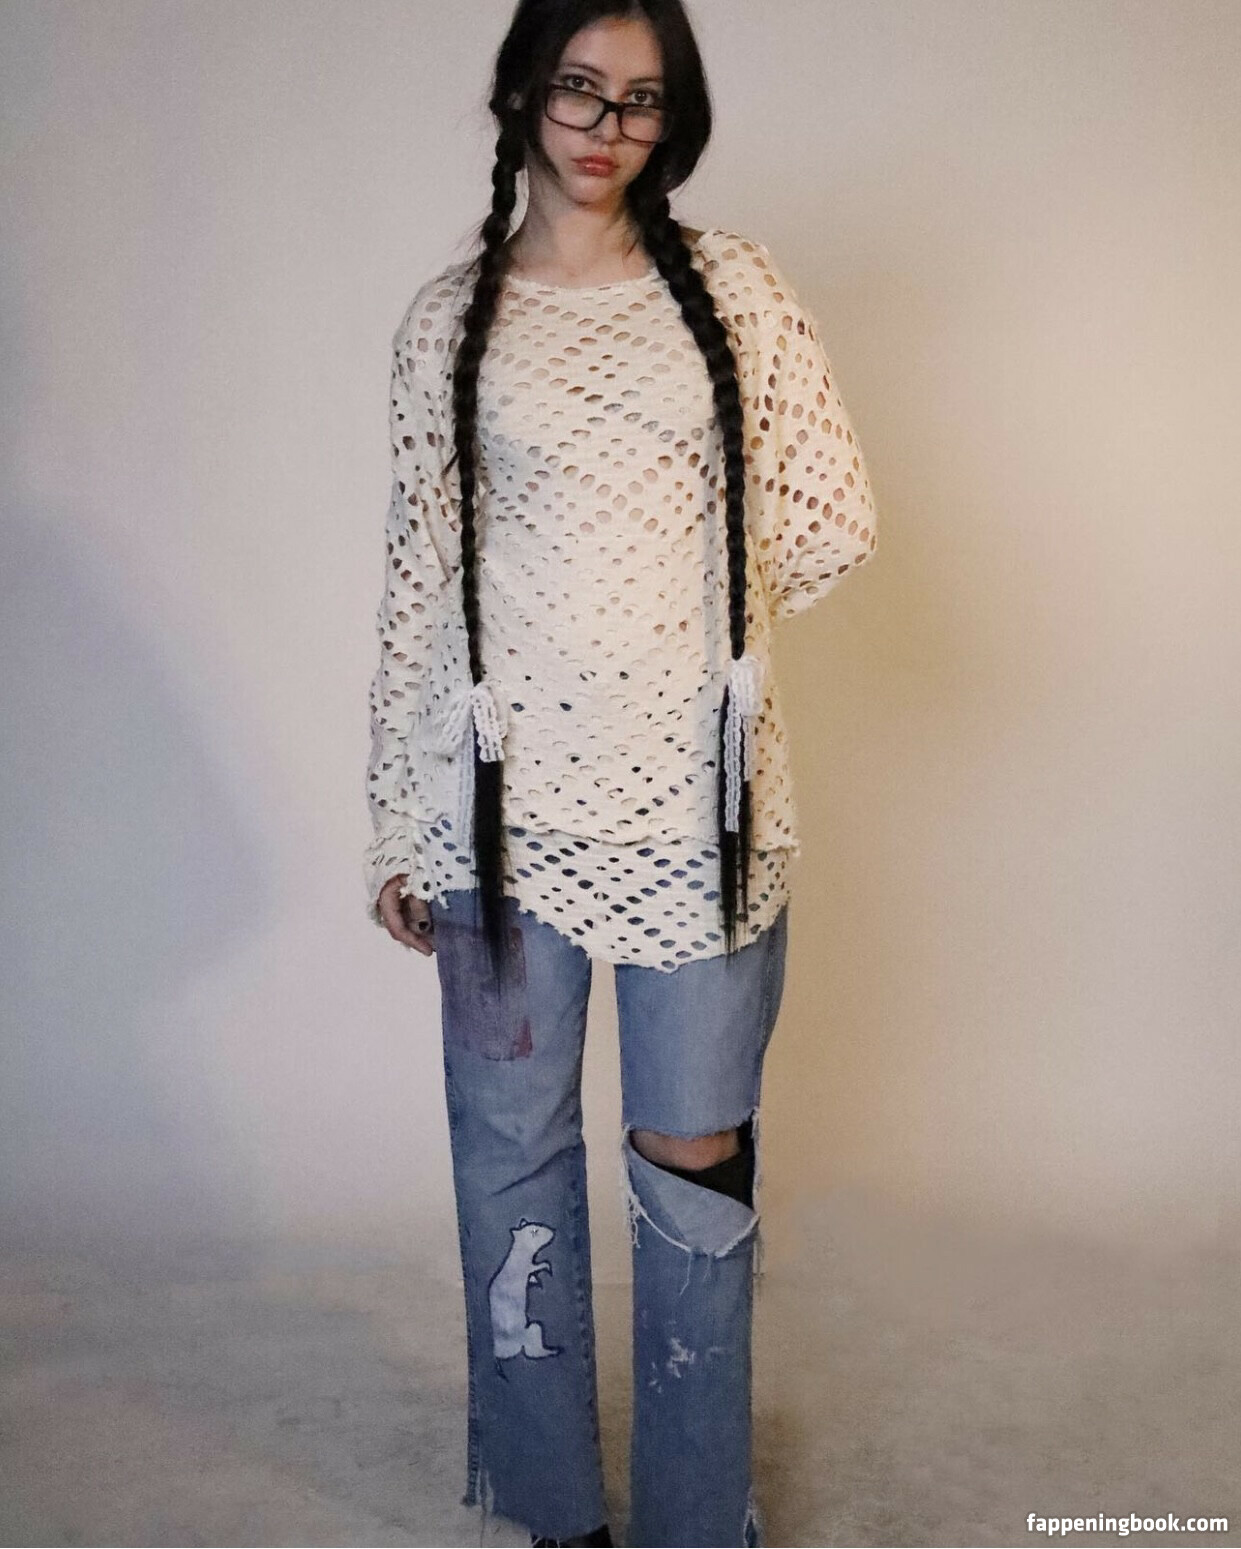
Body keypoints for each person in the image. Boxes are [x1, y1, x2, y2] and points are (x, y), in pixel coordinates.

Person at [363, 3, 879, 1543]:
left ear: (674, 118)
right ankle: (552, 1510)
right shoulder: (446, 324)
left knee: (691, 1160)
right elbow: (417, 587)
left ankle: (693, 1514)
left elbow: (829, 514)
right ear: (522, 90)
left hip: (695, 818)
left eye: (641, 100)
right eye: (578, 87)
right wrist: (395, 815)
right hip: (494, 823)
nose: (604, 126)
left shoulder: (735, 290)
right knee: (508, 1160)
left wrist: (665, 640)